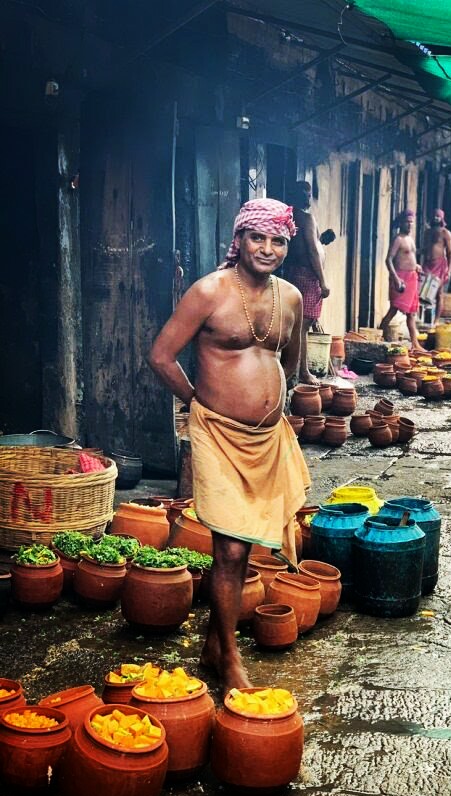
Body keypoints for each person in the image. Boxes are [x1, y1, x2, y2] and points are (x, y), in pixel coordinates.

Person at [148, 198, 310, 694]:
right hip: (217, 433)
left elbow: (293, 361)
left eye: (278, 240)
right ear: (238, 240)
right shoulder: (209, 292)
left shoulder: (291, 298)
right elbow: (160, 356)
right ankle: (231, 659)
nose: (267, 249)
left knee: (246, 551)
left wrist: (286, 405)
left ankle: (215, 645)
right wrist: (198, 400)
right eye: (258, 238)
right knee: (232, 547)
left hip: (268, 437)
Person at [284, 180, 331, 385]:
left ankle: (295, 370)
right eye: (306, 193)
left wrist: (323, 240)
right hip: (307, 276)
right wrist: (323, 281)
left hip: (297, 273)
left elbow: (310, 245)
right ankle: (302, 371)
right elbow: (312, 250)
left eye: (309, 193)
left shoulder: (292, 217)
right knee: (303, 326)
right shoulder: (306, 217)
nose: (308, 197)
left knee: (299, 325)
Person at [379, 209, 425, 351]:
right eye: (407, 222)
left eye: (412, 222)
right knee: (393, 310)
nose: (410, 225)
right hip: (400, 279)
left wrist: (416, 266)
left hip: (412, 278)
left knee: (411, 313)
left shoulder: (410, 239)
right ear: (401, 223)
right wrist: (395, 278)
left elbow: (408, 258)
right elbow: (389, 260)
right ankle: (381, 336)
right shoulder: (398, 239)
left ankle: (415, 344)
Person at [421, 208, 451, 322]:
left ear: (442, 218)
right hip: (427, 264)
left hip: (440, 265)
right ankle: (422, 318)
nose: (436, 218)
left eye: (438, 216)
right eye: (434, 216)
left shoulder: (445, 233)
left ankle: (436, 321)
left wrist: (449, 270)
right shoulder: (427, 232)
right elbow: (425, 249)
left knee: (439, 293)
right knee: (422, 291)